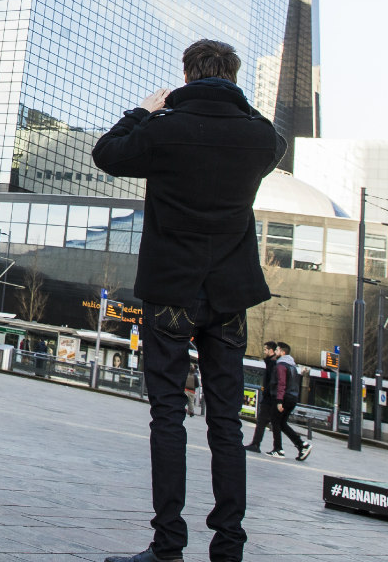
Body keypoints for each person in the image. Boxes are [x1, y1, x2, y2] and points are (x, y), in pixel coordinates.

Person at [91, 39, 287, 562]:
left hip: (172, 292)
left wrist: (145, 110)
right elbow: (276, 140)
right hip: (228, 297)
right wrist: (239, 104)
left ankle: (168, 546)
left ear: (185, 74)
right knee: (226, 422)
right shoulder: (256, 136)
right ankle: (229, 548)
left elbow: (106, 153)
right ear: (233, 77)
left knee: (168, 416)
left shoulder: (164, 129)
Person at [265, 342, 311, 461]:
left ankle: (278, 449)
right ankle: (302, 445)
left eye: (277, 350)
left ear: (283, 352)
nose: (275, 352)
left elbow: (281, 383)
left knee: (275, 421)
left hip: (283, 397)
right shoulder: (292, 366)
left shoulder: (281, 365)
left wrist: (279, 401)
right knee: (282, 423)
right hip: (292, 398)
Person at [245, 341, 279, 452]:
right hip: (270, 398)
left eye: (265, 349)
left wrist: (267, 394)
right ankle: (274, 447)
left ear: (271, 350)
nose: (264, 352)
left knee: (263, 421)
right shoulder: (271, 362)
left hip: (269, 399)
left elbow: (272, 382)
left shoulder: (273, 364)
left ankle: (257, 444)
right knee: (269, 423)